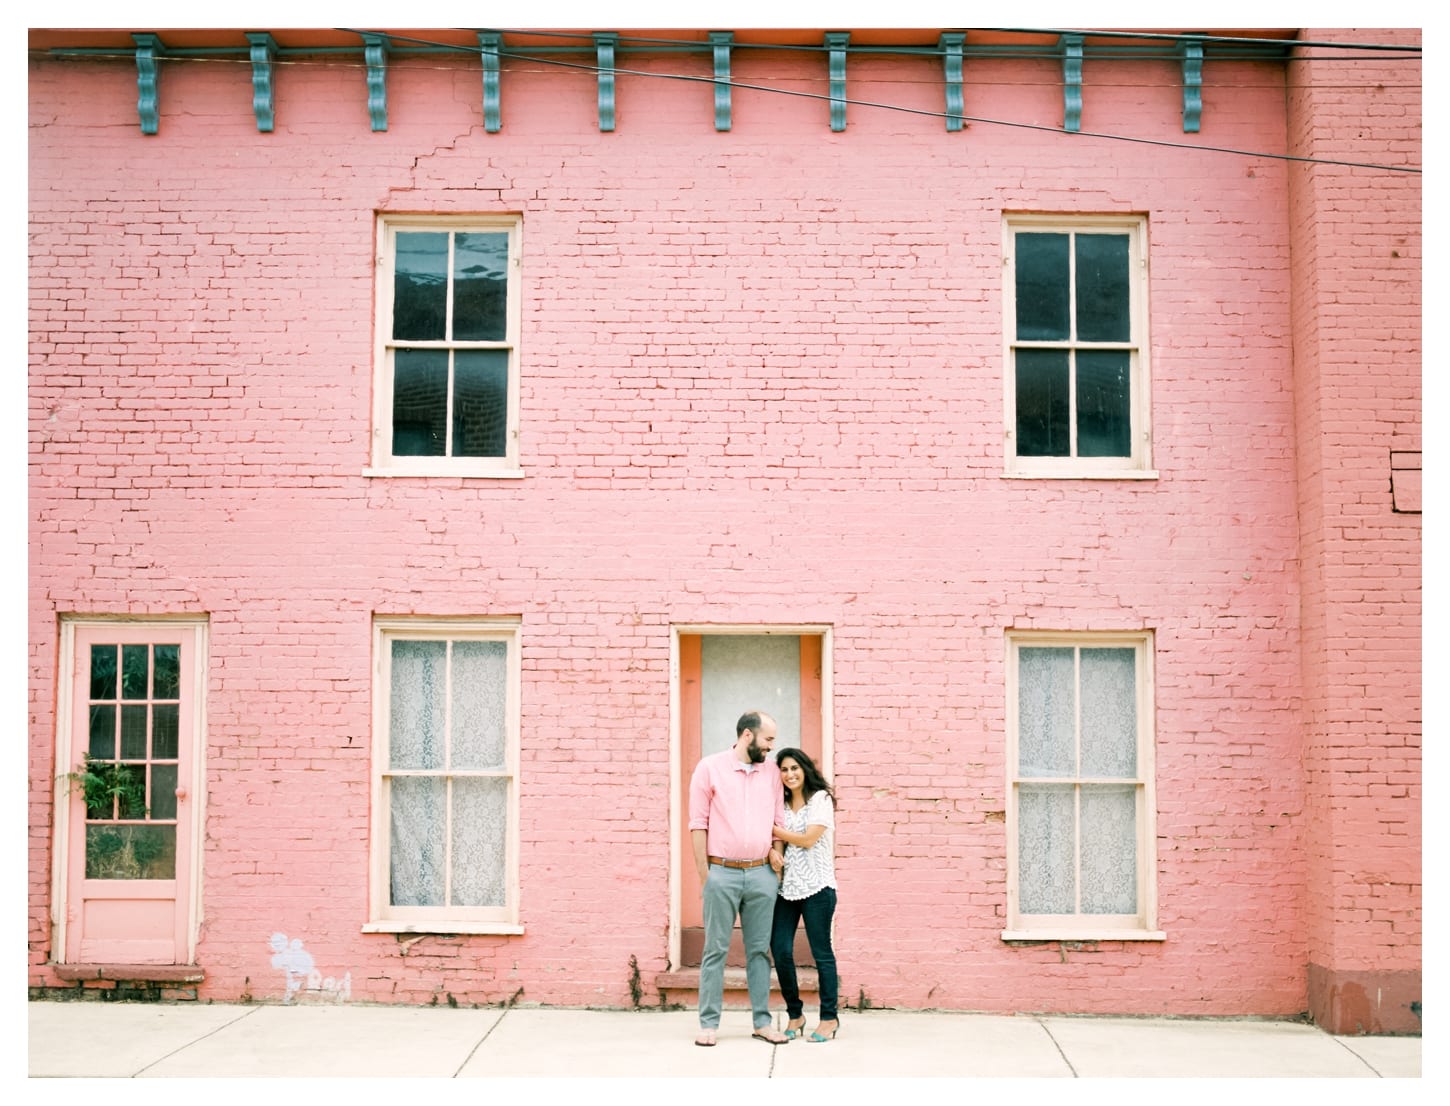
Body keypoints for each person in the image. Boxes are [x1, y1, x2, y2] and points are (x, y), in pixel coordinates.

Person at [687, 710, 791, 1047]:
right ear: (748, 735)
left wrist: (776, 859)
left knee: (759, 951)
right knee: (715, 949)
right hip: (722, 873)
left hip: (762, 875)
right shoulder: (709, 768)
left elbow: (778, 818)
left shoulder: (772, 773)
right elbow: (697, 823)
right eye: (768, 740)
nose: (772, 747)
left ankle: (762, 1022)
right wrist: (707, 875)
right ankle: (708, 1023)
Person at [767, 747, 839, 1042]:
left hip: (818, 888)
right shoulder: (780, 805)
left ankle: (829, 1018)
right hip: (788, 889)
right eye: (784, 770)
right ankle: (795, 1014)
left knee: (821, 954)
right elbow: (778, 842)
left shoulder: (820, 799)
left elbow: (809, 839)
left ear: (805, 769)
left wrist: (771, 831)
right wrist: (773, 848)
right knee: (780, 949)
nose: (790, 774)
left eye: (795, 768)